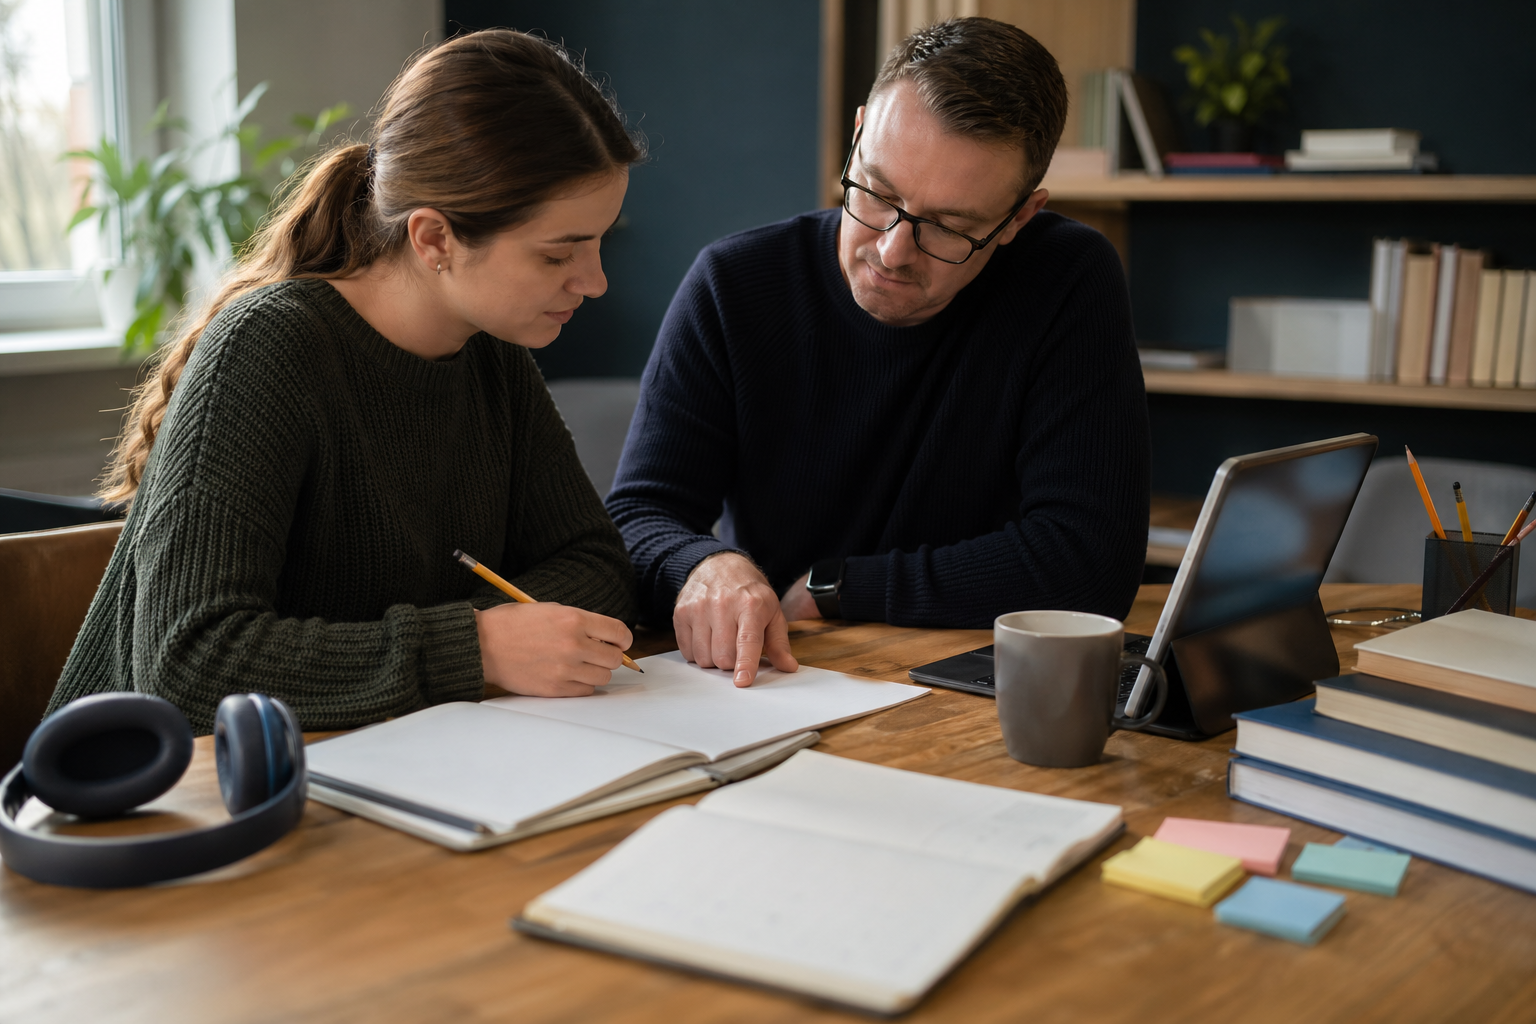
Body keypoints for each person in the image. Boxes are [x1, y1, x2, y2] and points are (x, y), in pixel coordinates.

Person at [46, 31, 643, 732]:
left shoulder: (491, 355)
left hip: (382, 756)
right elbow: (190, 663)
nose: (595, 282)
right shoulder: (270, 347)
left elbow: (595, 564)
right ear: (434, 239)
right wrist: (475, 647)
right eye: (556, 255)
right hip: (149, 797)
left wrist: (488, 645)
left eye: (600, 240)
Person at [606, 17, 1150, 687]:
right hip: (790, 678)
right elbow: (636, 519)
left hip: (975, 687)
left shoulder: (1067, 278)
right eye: (877, 193)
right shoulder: (734, 284)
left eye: (950, 227)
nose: (891, 251)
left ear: (1017, 220)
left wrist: (840, 586)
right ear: (859, 131)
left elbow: (1088, 563)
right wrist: (701, 564)